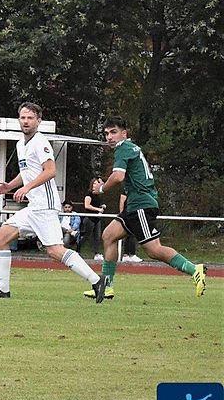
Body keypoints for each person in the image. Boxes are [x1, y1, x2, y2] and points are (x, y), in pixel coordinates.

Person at [0, 102, 107, 301]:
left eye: (30, 118)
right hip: (33, 207)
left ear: (39, 121)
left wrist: (27, 188)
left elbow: (51, 171)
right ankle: (3, 289)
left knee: (55, 251)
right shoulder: (21, 144)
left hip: (45, 206)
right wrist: (9, 186)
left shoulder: (40, 142)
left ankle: (96, 280)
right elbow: (26, 172)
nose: (26, 121)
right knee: (0, 238)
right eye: (23, 117)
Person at [82, 116, 206, 300]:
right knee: (108, 236)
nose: (109, 137)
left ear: (124, 133)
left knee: (153, 250)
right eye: (106, 133)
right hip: (135, 205)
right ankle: (106, 286)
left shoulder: (123, 148)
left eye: (113, 132)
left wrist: (101, 188)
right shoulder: (131, 148)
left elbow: (118, 176)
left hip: (141, 204)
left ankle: (194, 269)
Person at [83, 177, 107, 260]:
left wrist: (101, 206)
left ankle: (97, 253)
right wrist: (98, 209)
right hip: (89, 218)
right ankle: (77, 250)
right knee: (86, 236)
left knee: (97, 237)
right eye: (94, 183)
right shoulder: (89, 194)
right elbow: (87, 205)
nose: (95, 185)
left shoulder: (98, 195)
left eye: (97, 184)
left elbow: (96, 204)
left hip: (97, 218)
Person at [118, 193, 142, 262]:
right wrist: (121, 214)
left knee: (130, 235)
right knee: (130, 234)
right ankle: (131, 254)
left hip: (133, 213)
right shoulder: (126, 190)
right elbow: (122, 201)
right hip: (128, 214)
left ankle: (127, 254)